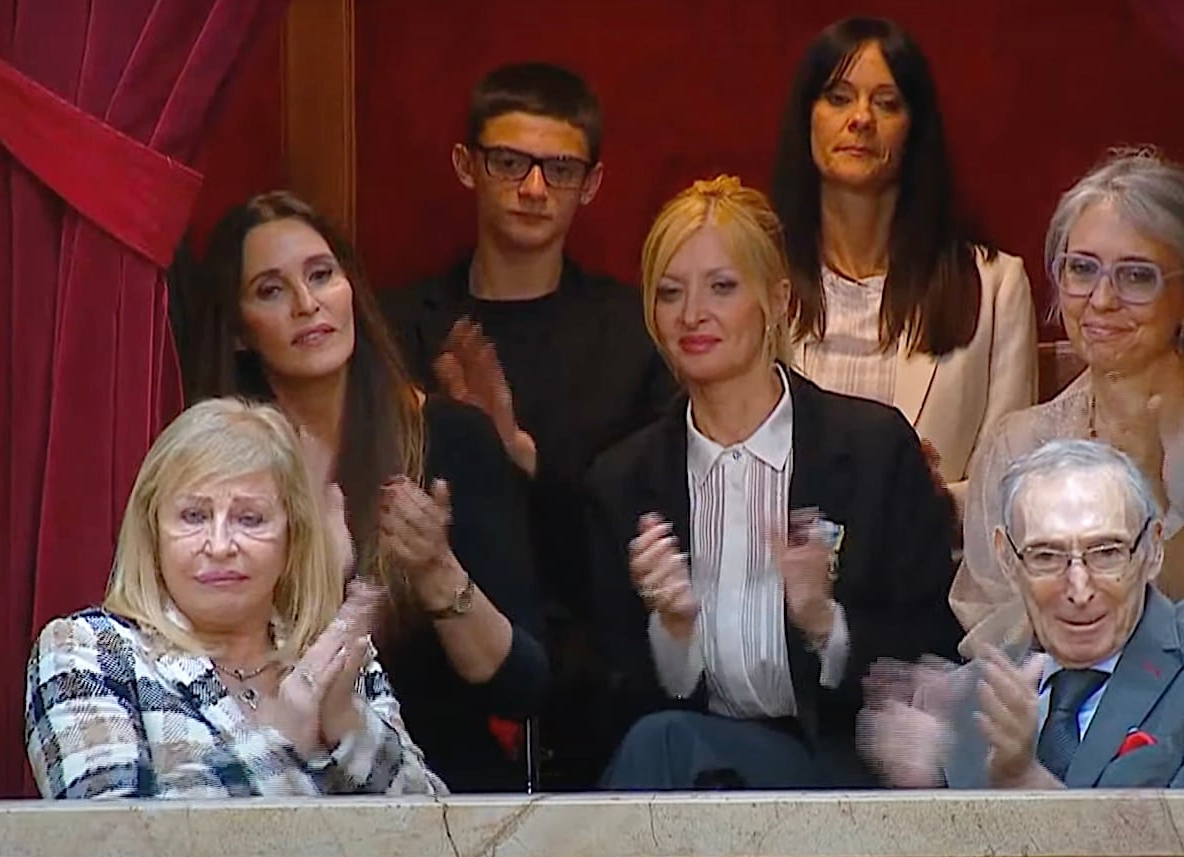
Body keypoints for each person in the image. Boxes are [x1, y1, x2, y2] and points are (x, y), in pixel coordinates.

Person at [589, 176, 960, 790]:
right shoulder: (623, 481)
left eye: (722, 287)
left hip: (841, 765)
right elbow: (602, 698)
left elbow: (934, 641)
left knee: (665, 746)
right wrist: (674, 633)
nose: (692, 315)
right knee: (664, 742)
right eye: (670, 292)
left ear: (779, 300)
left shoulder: (870, 448)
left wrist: (824, 624)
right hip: (691, 776)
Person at [185, 191, 548, 792]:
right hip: (271, 785)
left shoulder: (450, 441)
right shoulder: (214, 468)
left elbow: (523, 687)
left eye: (322, 276)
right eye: (272, 291)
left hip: (437, 793)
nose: (308, 305)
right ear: (238, 332)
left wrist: (436, 570)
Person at [382, 62, 677, 788]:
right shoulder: (395, 329)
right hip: (424, 669)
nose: (535, 188)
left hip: (591, 674)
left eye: (560, 169)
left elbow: (647, 530)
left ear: (593, 183)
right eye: (510, 162)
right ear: (466, 165)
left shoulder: (633, 336)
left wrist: (519, 456)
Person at [25, 398, 445, 798]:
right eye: (194, 516)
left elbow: (437, 829)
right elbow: (106, 845)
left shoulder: (331, 649)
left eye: (250, 518)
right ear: (153, 533)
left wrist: (348, 723)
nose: (221, 545)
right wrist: (282, 741)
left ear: (291, 539)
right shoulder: (87, 649)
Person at [859, 439, 1184, 789]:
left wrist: (1024, 781)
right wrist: (922, 799)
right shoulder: (974, 701)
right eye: (1046, 556)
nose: (1079, 589)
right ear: (1007, 560)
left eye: (1107, 553)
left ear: (1152, 550)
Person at [950, 151, 1184, 657]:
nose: (1101, 300)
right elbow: (986, 631)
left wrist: (1150, 492)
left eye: (1137, 276)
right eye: (1081, 270)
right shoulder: (1018, 444)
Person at [772, 16, 1037, 510]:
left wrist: (928, 504)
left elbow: (1010, 487)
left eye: (887, 103)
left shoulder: (995, 286)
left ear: (915, 127)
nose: (861, 119)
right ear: (807, 116)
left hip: (939, 577)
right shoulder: (758, 281)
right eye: (838, 97)